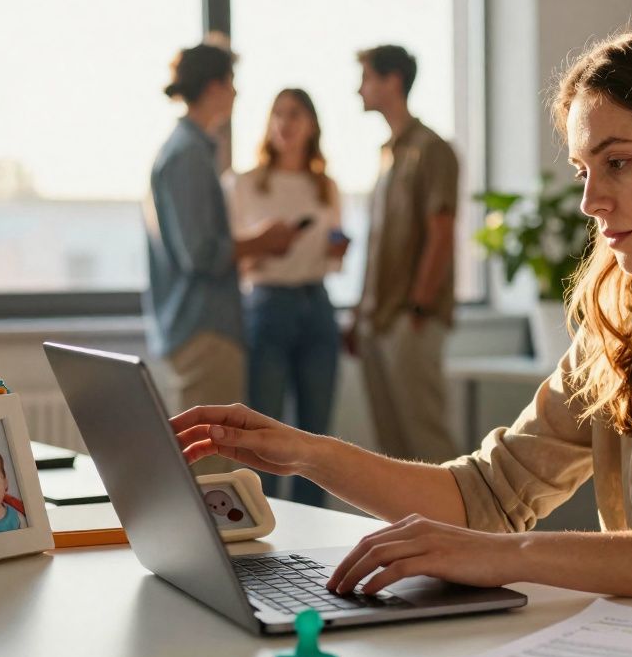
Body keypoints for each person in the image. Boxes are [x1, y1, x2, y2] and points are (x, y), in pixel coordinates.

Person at [170, 21, 632, 624]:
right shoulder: (630, 317)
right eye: (583, 171)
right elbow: (487, 495)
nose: (590, 201)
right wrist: (308, 453)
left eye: (619, 162)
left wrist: (509, 557)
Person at [145, 37, 298, 472]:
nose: (236, 93)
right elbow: (200, 254)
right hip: (204, 328)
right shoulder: (188, 154)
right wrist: (262, 241)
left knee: (207, 463)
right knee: (209, 466)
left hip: (199, 326)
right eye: (232, 82)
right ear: (214, 86)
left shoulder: (187, 150)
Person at [223, 89, 347, 506]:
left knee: (317, 438)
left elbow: (331, 258)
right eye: (277, 114)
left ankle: (316, 540)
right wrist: (263, 244)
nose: (285, 123)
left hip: (317, 305)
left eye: (294, 114)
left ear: (311, 124)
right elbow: (225, 258)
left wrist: (335, 252)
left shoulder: (325, 186)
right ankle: (264, 524)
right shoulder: (243, 184)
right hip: (267, 306)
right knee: (264, 434)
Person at [344, 44, 461, 461]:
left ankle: (452, 528)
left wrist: (418, 307)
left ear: (392, 81)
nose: (359, 90)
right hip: (377, 320)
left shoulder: (432, 149)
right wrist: (359, 313)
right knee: (390, 449)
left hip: (410, 320)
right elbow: (380, 243)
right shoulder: (386, 154)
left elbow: (441, 231)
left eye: (366, 79)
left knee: (427, 442)